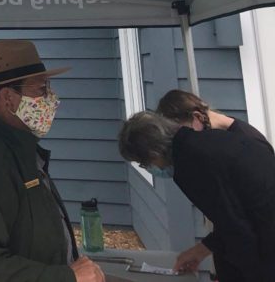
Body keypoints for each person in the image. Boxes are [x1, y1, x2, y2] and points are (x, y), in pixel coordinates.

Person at [0, 39, 104, 282]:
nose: (51, 99)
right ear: (8, 98)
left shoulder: (21, 153)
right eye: (40, 89)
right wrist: (65, 276)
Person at [118, 110, 275, 281]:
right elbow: (231, 216)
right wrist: (201, 250)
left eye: (144, 163)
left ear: (153, 154)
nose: (148, 167)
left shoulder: (190, 164)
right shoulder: (207, 140)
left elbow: (237, 229)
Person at [155, 89, 274, 273]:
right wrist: (203, 250)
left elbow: (250, 222)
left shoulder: (246, 142)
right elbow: (229, 218)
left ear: (197, 117)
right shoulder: (215, 152)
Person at [156, 89, 272, 151]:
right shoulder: (217, 138)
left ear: (197, 117)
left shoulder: (248, 141)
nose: (183, 138)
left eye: (183, 132)